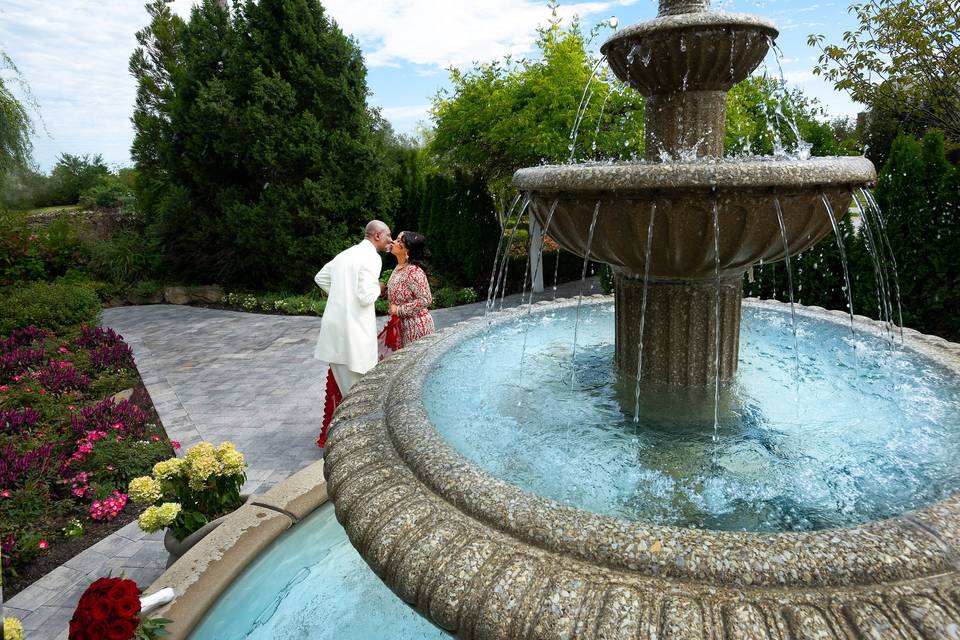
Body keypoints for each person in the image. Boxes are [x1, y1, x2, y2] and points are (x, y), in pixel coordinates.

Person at [314, 220, 392, 448]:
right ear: (376, 235)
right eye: (387, 235)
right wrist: (379, 288)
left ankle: (352, 440)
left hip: (334, 332)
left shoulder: (345, 255)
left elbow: (321, 278)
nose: (390, 239)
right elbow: (365, 296)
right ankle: (359, 445)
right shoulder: (372, 258)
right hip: (355, 335)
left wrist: (341, 296)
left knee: (349, 393)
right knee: (360, 394)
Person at [386, 231, 435, 348]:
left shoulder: (414, 271)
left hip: (417, 327)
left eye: (398, 241)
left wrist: (398, 310)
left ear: (407, 250)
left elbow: (426, 299)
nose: (393, 241)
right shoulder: (399, 267)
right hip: (403, 326)